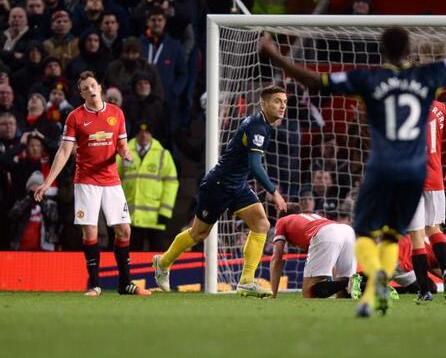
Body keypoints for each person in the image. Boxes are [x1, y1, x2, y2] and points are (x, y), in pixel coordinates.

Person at [260, 0, 446, 317]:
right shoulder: (427, 76)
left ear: (382, 52)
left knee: (364, 232)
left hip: (382, 168)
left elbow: (314, 81)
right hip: (416, 173)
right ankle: (380, 285)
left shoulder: (369, 79)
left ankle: (375, 283)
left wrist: (275, 54)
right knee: (393, 234)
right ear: (409, 51)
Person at [152, 85, 288, 296]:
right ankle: (163, 262)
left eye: (285, 102)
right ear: (263, 103)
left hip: (238, 186)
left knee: (261, 224)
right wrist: (274, 192)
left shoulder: (264, 125)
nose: (282, 106)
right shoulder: (256, 126)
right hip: (218, 185)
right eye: (277, 101)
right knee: (199, 233)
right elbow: (255, 166)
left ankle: (246, 281)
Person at [33, 71, 150, 296]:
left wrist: (125, 153)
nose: (90, 90)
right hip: (86, 181)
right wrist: (48, 182)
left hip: (111, 180)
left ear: (100, 88)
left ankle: (126, 284)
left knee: (124, 230)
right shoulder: (75, 117)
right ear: (81, 94)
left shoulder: (116, 113)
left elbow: (122, 144)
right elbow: (64, 151)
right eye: (85, 88)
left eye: (93, 85)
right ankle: (95, 285)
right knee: (90, 231)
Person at [406, 100, 446, 303]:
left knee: (417, 237)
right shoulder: (441, 108)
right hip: (435, 180)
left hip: (410, 180)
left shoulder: (402, 105)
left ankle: (425, 291)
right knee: (434, 229)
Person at [375, 224, 446, 297]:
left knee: (430, 287)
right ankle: (380, 288)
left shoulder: (445, 240)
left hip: (393, 247)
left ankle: (377, 284)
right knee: (428, 289)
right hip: (401, 259)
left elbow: (430, 265)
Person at [118, 122, 179, 251]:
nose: (144, 135)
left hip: (155, 218)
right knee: (132, 256)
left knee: (157, 257)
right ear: (136, 134)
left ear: (152, 134)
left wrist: (165, 212)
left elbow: (171, 184)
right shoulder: (124, 153)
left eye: (147, 132)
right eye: (140, 132)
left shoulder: (163, 155)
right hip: (131, 218)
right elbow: (115, 180)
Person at [269, 212, 356, 299]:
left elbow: (277, 257)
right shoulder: (310, 217)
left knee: (308, 291)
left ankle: (348, 282)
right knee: (345, 293)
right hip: (347, 232)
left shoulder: (282, 221)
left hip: (326, 233)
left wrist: (272, 294)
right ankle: (358, 281)